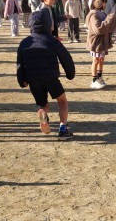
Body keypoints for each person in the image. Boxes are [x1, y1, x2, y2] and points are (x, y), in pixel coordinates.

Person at [16, 9, 76, 140]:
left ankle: (43, 113)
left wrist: (22, 80)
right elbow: (65, 58)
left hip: (33, 78)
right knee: (62, 101)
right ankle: (63, 129)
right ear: (48, 24)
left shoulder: (24, 42)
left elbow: (19, 64)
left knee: (43, 104)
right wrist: (70, 73)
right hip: (50, 77)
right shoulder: (52, 41)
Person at [85, 0, 116, 89]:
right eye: (104, 3)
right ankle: (94, 80)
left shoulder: (102, 13)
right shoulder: (93, 15)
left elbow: (108, 26)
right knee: (95, 60)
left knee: (101, 60)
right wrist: (109, 19)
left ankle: (99, 77)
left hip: (103, 41)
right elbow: (98, 29)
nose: (105, 4)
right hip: (96, 41)